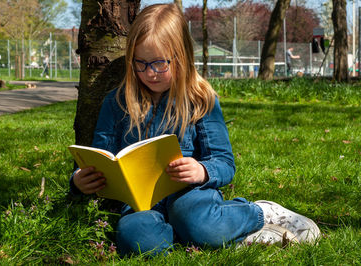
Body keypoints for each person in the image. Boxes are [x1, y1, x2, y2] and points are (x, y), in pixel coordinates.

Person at [69, 4, 320, 256]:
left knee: (199, 224)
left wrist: (201, 170)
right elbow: (99, 156)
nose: (149, 73)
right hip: (141, 204)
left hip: (191, 197)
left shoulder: (200, 99)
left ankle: (259, 213)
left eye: (159, 63)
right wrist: (79, 179)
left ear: (180, 56)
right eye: (140, 63)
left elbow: (224, 162)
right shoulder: (117, 102)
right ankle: (194, 237)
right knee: (137, 240)